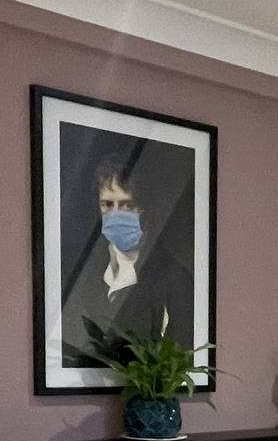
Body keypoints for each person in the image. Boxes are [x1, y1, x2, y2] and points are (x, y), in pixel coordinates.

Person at [59, 131, 198, 364]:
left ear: (143, 207)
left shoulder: (172, 277)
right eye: (108, 204)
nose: (116, 214)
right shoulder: (83, 272)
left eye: (127, 205)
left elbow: (183, 358)